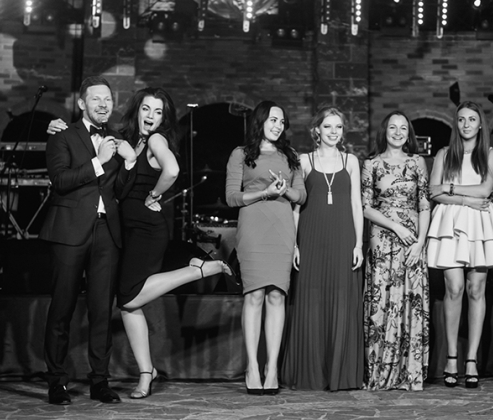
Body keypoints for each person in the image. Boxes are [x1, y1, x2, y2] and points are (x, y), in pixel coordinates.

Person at [46, 87, 235, 400]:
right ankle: (145, 372)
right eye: (147, 109)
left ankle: (197, 270)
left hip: (143, 228)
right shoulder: (123, 138)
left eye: (158, 112)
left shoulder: (156, 139)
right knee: (124, 304)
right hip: (120, 230)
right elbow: (97, 170)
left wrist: (155, 195)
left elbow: (172, 170)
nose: (151, 116)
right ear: (136, 111)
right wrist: (55, 126)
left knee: (128, 298)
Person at [40, 76, 136, 405]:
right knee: (62, 308)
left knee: (101, 310)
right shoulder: (62, 136)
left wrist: (129, 161)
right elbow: (60, 180)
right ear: (82, 103)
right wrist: (98, 161)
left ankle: (100, 381)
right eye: (96, 99)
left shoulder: (117, 139)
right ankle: (57, 382)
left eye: (108, 99)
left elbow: (120, 190)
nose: (103, 104)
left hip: (106, 232)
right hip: (69, 231)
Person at [426, 101, 493, 389]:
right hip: (450, 224)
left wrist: (449, 188)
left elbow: (486, 190)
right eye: (461, 119)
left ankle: (471, 359)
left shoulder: (490, 154)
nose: (466, 124)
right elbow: (433, 192)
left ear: (480, 124)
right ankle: (452, 357)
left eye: (472, 119)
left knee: (477, 289)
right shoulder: (444, 154)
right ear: (456, 123)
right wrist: (465, 199)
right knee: (454, 288)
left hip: (479, 225)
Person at [281, 106, 364, 391]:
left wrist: (358, 244)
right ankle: (311, 372)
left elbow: (356, 204)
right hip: (311, 237)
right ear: (317, 130)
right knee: (311, 300)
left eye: (338, 127)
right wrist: (294, 243)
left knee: (342, 300)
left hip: (343, 237)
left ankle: (340, 373)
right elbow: (296, 206)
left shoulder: (351, 161)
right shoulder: (304, 160)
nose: (333, 132)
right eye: (328, 126)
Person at [225, 100, 306, 395]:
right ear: (260, 121)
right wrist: (265, 192)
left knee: (276, 296)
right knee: (254, 295)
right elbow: (232, 197)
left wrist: (285, 190)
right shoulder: (241, 154)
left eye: (282, 122)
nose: (278, 126)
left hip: (282, 230)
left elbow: (302, 195)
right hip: (253, 230)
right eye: (273, 120)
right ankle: (252, 367)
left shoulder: (291, 156)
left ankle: (272, 368)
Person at [361, 110, 430, 391]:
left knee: (411, 300)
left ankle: (408, 373)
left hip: (413, 241)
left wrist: (420, 241)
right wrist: (396, 227)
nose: (398, 132)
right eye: (393, 127)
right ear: (385, 131)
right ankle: (379, 372)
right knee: (383, 301)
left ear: (409, 133)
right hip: (382, 238)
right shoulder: (371, 164)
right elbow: (366, 207)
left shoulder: (417, 162)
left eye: (403, 128)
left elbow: (424, 204)